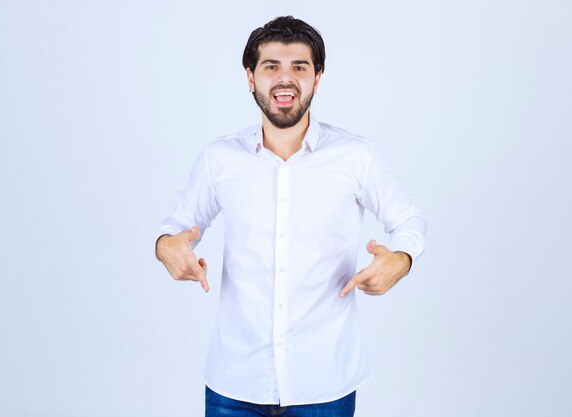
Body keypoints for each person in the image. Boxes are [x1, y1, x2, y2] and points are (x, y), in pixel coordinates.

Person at [155, 15, 426, 417]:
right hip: (234, 382)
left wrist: (400, 261)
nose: (285, 79)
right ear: (250, 77)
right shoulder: (220, 158)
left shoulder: (355, 156)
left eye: (299, 67)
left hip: (325, 384)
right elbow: (176, 229)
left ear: (318, 78)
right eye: (271, 67)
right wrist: (168, 248)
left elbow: (410, 223)